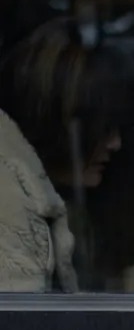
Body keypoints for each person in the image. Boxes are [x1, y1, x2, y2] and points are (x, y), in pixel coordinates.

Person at [0, 18, 126, 290]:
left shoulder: (70, 212)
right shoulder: (12, 218)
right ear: (53, 124)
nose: (115, 143)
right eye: (101, 127)